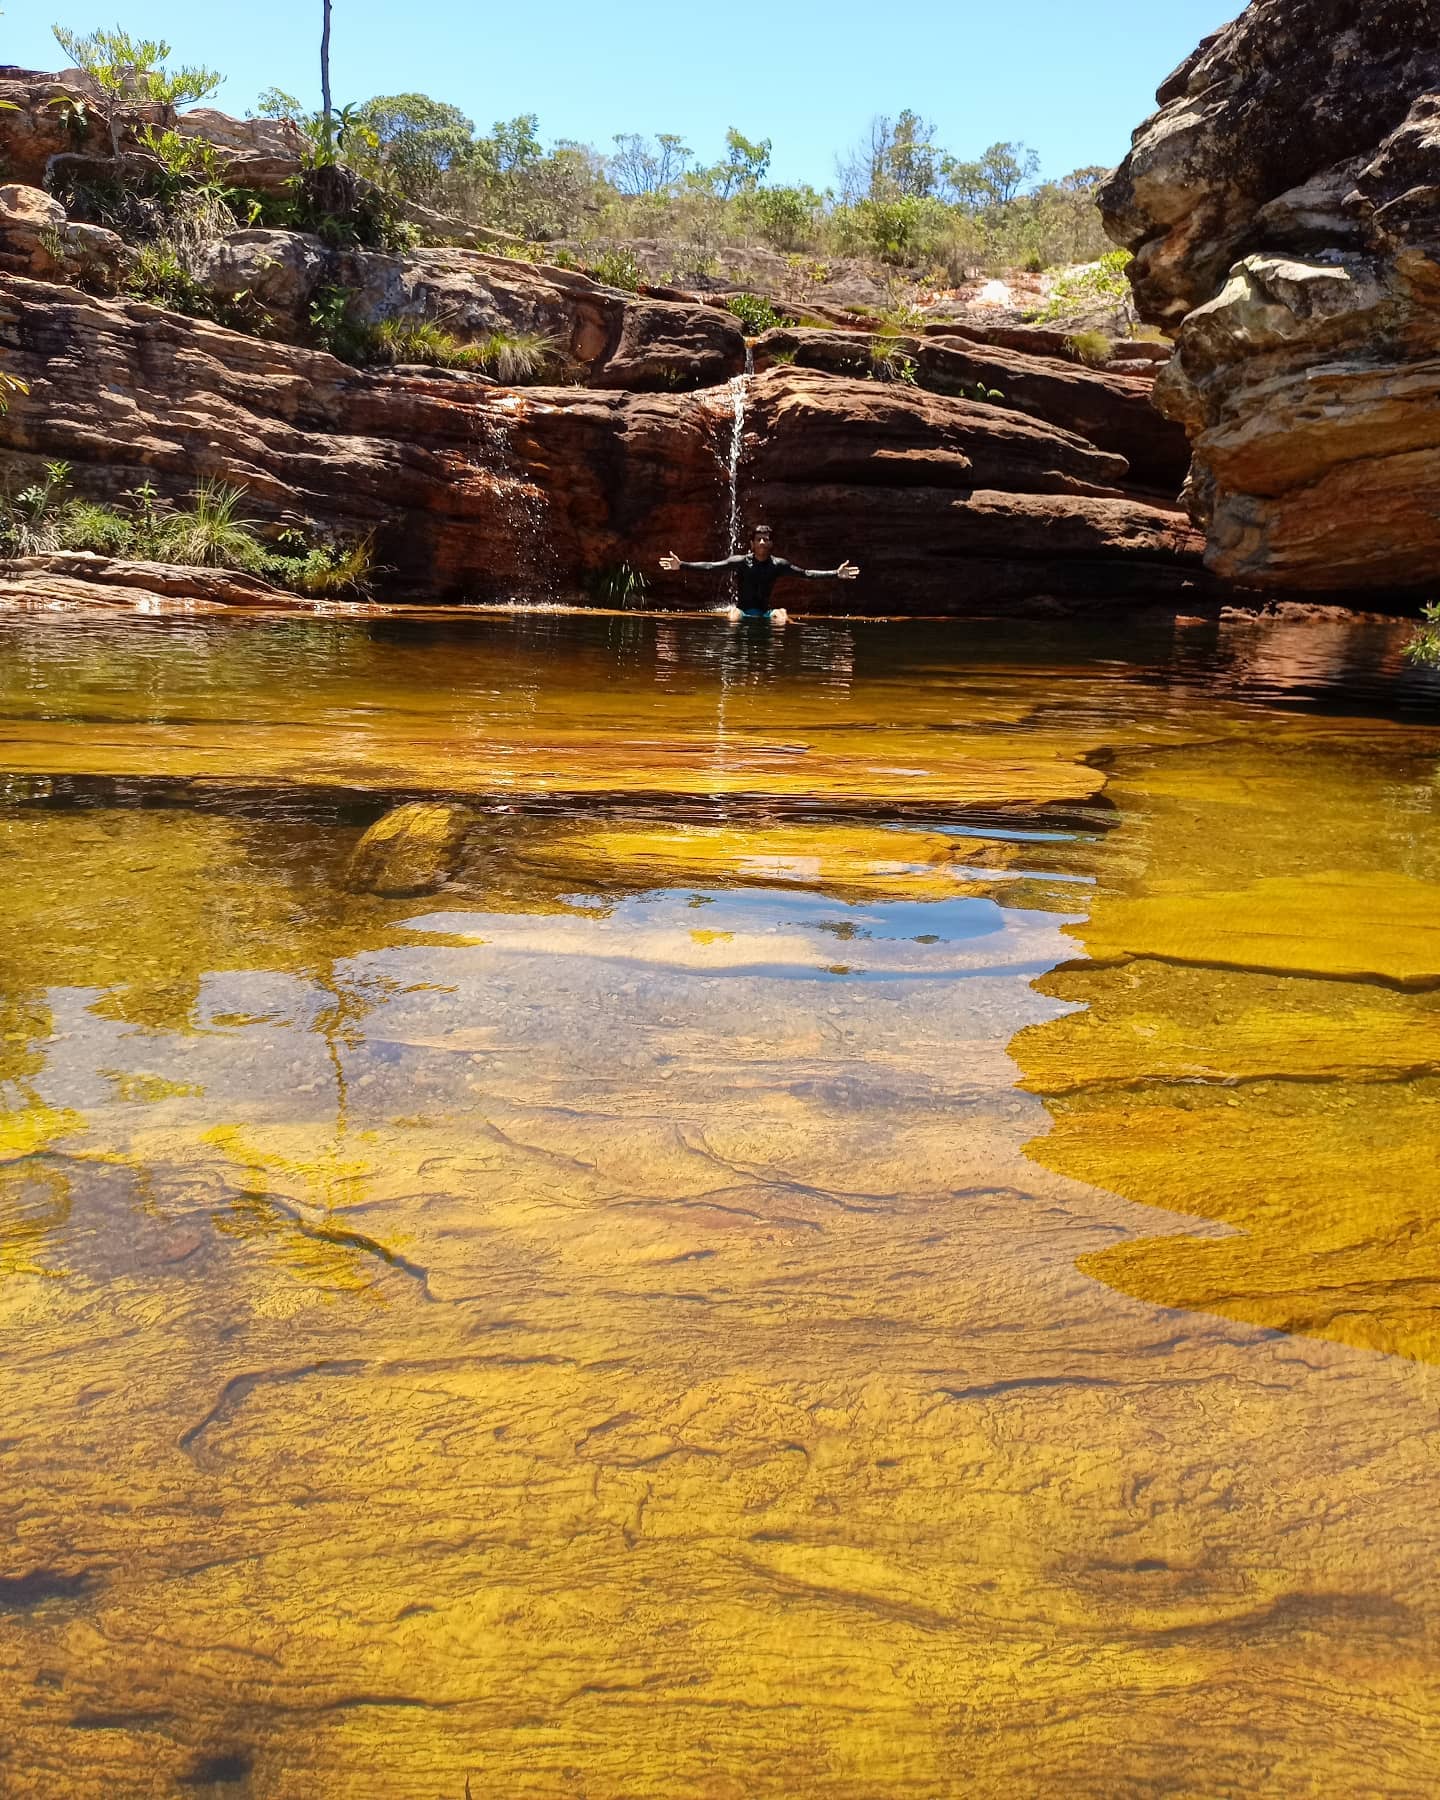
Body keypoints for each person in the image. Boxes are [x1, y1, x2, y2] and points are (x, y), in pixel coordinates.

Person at [660, 526, 859, 620]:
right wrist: (682, 565)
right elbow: (712, 567)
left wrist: (836, 573)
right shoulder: (740, 562)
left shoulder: (778, 564)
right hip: (742, 611)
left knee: (781, 616)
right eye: (759, 539)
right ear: (752, 544)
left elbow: (806, 574)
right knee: (734, 617)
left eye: (766, 539)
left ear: (771, 543)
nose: (762, 542)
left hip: (765, 613)